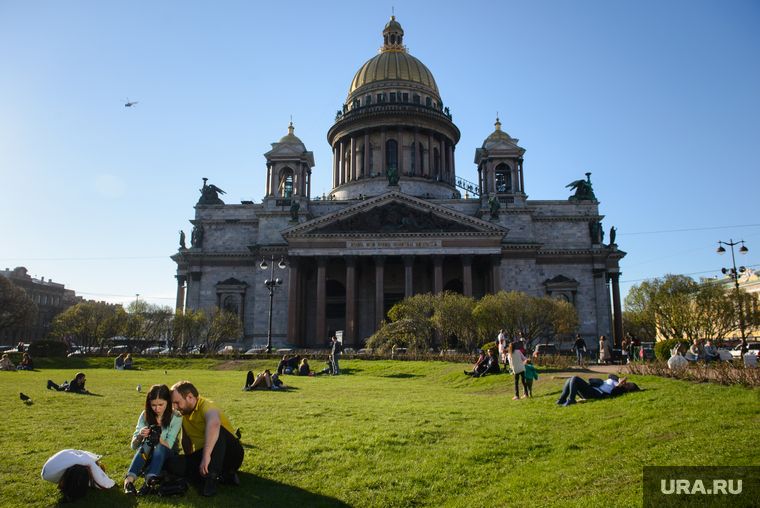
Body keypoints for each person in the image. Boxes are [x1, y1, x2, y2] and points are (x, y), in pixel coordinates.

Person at [166, 381, 244, 497]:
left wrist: (206, 456)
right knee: (171, 462)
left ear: (190, 397)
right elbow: (186, 438)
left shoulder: (207, 405)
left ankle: (212, 479)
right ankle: (224, 476)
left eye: (177, 403)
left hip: (230, 453)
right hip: (206, 455)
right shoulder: (184, 414)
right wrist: (189, 459)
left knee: (218, 430)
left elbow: (214, 424)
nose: (175, 407)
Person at [124, 384, 182, 496]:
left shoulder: (176, 417)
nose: (157, 409)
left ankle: (149, 481)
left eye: (161, 404)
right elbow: (134, 446)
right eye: (153, 405)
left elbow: (169, 445)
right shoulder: (145, 415)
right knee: (148, 443)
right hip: (149, 454)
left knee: (158, 445)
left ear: (168, 403)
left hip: (169, 455)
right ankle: (129, 481)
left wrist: (158, 438)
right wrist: (141, 435)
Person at [555, 374, 641, 407]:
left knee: (575, 379)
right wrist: (619, 379)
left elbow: (613, 393)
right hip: (593, 388)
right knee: (570, 379)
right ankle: (562, 400)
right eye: (628, 383)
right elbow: (610, 375)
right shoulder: (618, 382)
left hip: (596, 393)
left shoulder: (620, 389)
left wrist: (620, 385)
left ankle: (571, 400)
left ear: (629, 390)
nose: (627, 383)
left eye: (629, 385)